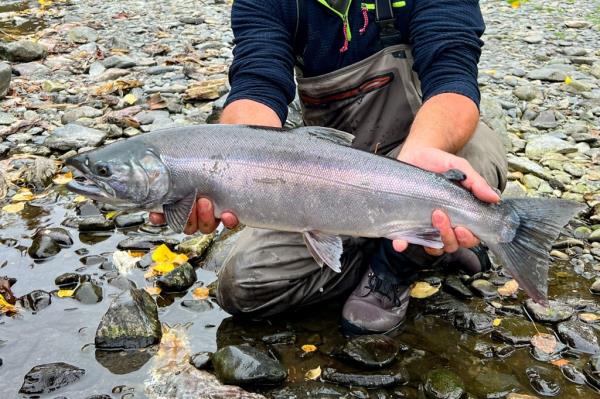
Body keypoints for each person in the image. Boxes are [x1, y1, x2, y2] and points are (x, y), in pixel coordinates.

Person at [151, 0, 507, 334]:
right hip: (324, 175)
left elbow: (452, 77)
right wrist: (226, 171)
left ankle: (393, 268)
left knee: (471, 163)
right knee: (243, 287)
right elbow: (257, 85)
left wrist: (422, 154)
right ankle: (421, 243)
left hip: (418, 151)